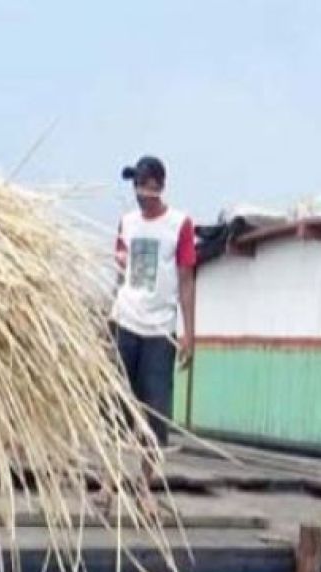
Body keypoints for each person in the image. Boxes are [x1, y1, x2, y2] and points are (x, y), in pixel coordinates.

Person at [109, 155, 197, 503]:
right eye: (135, 186)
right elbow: (120, 273)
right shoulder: (127, 223)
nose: (139, 194)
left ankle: (144, 485)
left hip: (160, 330)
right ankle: (110, 480)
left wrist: (189, 332)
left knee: (155, 409)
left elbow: (187, 281)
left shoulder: (180, 225)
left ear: (158, 186)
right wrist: (109, 315)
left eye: (144, 186)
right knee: (116, 406)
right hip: (126, 321)